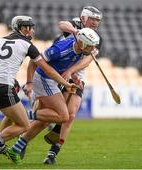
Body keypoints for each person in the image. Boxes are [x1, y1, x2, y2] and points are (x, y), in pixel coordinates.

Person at [0, 15, 76, 166]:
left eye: (31, 27)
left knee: (13, 118)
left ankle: (0, 145)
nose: (32, 31)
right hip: (4, 87)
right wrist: (65, 83)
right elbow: (47, 69)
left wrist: (13, 79)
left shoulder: (0, 41)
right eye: (28, 27)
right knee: (24, 125)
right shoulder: (27, 45)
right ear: (21, 29)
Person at [6, 27, 100, 164]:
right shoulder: (60, 49)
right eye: (91, 46)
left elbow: (83, 60)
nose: (93, 49)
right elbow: (34, 61)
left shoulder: (83, 49)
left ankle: (15, 149)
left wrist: (72, 74)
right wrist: (29, 82)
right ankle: (23, 115)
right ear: (82, 43)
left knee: (45, 120)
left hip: (53, 81)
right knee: (63, 116)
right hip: (44, 79)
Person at [43, 5, 103, 164]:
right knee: (49, 114)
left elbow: (87, 60)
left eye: (98, 20)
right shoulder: (74, 25)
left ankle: (53, 153)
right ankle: (22, 137)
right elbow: (61, 24)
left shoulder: (97, 38)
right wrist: (76, 31)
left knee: (70, 115)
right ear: (84, 18)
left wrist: (72, 73)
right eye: (93, 19)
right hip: (58, 71)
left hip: (75, 76)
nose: (95, 23)